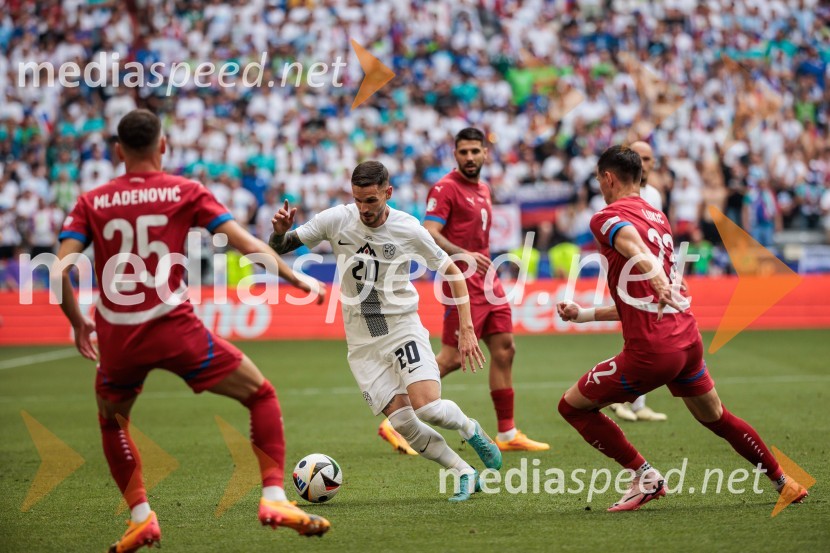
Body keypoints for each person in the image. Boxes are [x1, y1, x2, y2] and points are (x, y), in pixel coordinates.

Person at [55, 109, 332, 552]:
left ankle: (141, 518)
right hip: (173, 328)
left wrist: (77, 322)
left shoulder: (92, 201)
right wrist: (298, 280)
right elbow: (248, 246)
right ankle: (274, 498)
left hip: (118, 337)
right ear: (163, 145)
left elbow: (59, 272)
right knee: (260, 395)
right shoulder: (184, 191)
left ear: (118, 151)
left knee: (111, 423)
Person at [556, 145, 809, 511]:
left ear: (608, 178)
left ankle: (644, 476)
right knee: (718, 417)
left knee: (572, 407)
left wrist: (656, 277)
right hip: (687, 341)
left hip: (652, 351)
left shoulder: (606, 217)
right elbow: (639, 301)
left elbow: (633, 246)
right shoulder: (658, 218)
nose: (599, 186)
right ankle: (783, 481)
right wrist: (583, 314)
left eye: (599, 179)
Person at [268, 160, 502, 501]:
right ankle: (464, 472)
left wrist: (466, 327)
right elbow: (279, 246)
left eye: (371, 200)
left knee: (427, 407)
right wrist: (279, 232)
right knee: (403, 423)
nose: (363, 208)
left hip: (401, 327)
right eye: (358, 200)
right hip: (361, 341)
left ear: (388, 193)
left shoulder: (408, 228)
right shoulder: (336, 219)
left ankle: (471, 429)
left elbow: (452, 269)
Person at [380, 127, 549, 454]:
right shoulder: (445, 188)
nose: (470, 157)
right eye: (463, 152)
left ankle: (507, 432)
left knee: (505, 348)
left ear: (485, 153)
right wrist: (463, 254)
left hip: (488, 280)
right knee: (453, 357)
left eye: (475, 151)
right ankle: (395, 420)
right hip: (461, 280)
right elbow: (430, 231)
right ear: (455, 154)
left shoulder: (483, 188)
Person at [607, 140, 668, 423]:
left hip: (653, 274)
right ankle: (620, 396)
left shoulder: (654, 195)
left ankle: (633, 401)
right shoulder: (615, 196)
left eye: (648, 158)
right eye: (638, 157)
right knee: (638, 334)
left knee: (645, 336)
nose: (643, 163)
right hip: (629, 273)